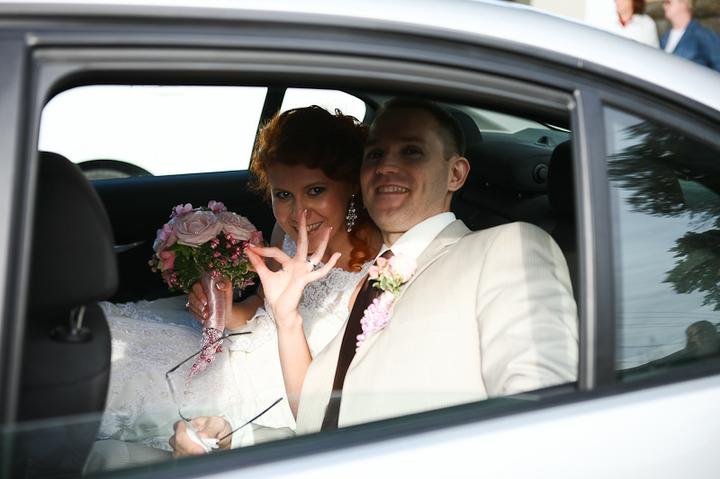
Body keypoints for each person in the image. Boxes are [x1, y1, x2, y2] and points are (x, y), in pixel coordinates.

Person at [170, 98, 578, 454]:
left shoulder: (506, 248)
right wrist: (235, 439)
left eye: (411, 152)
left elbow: (543, 425)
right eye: (375, 155)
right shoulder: (371, 281)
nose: (386, 167)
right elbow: (317, 417)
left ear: (455, 174)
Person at [88, 105, 380, 470]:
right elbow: (261, 305)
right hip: (239, 347)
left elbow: (323, 402)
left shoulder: (375, 270)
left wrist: (286, 319)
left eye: (316, 190)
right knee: (103, 342)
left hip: (276, 393)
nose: (298, 213)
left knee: (123, 387)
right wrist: (226, 311)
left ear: (350, 184)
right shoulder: (285, 233)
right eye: (283, 195)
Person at [661, 0, 720, 71]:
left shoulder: (702, 35)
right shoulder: (664, 37)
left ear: (684, 3)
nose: (664, 6)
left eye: (668, 2)